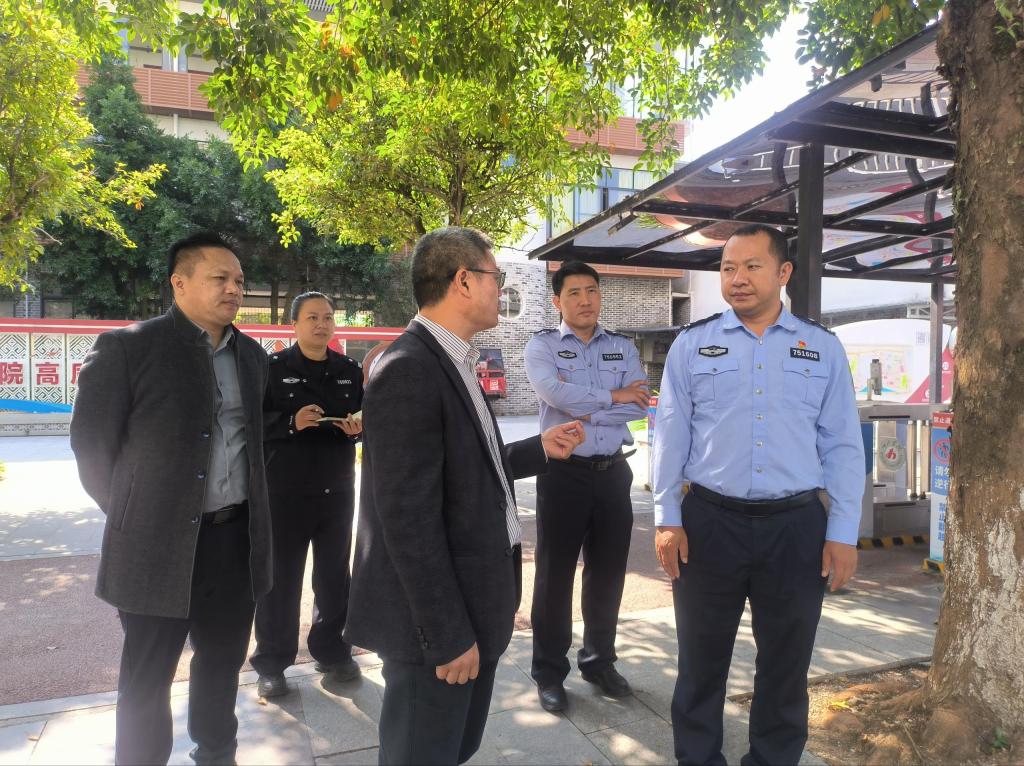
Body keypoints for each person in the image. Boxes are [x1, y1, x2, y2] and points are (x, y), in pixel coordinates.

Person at [345, 226, 586, 765]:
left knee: (454, 747)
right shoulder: (408, 368)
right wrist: (447, 633)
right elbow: (407, 519)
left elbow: (462, 469)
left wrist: (538, 449)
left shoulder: (453, 359)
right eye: (496, 277)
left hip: (473, 605)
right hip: (434, 628)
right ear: (463, 281)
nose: (501, 289)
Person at [651, 223, 864, 766]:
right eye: (728, 268)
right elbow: (669, 436)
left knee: (786, 666)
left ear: (783, 272)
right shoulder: (692, 344)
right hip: (708, 523)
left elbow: (842, 444)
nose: (737, 278)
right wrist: (667, 518)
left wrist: (843, 532)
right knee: (700, 662)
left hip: (795, 527)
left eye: (752, 266)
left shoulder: (822, 347)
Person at [70, 231, 272, 765]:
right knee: (146, 676)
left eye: (239, 281)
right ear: (179, 283)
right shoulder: (129, 348)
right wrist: (136, 515)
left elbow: (256, 446)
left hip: (234, 542)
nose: (234, 289)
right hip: (153, 547)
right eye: (219, 278)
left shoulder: (252, 357)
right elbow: (91, 448)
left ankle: (217, 753)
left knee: (222, 664)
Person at [523, 261, 649, 713]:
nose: (585, 300)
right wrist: (614, 397)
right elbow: (553, 394)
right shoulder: (542, 346)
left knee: (609, 572)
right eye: (574, 292)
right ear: (557, 301)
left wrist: (589, 406)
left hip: (614, 473)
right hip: (563, 474)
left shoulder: (621, 346)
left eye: (592, 291)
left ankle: (598, 662)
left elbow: (639, 405)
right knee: (554, 576)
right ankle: (549, 672)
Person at [250, 291, 364, 698]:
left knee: (334, 578)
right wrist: (291, 422)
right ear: (294, 324)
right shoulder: (272, 368)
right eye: (312, 317)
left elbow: (364, 417)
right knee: (280, 581)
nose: (321, 324)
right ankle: (272, 663)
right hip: (285, 492)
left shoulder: (349, 370)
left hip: (337, 491)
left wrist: (358, 429)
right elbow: (251, 423)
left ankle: (332, 650)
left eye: (328, 317)